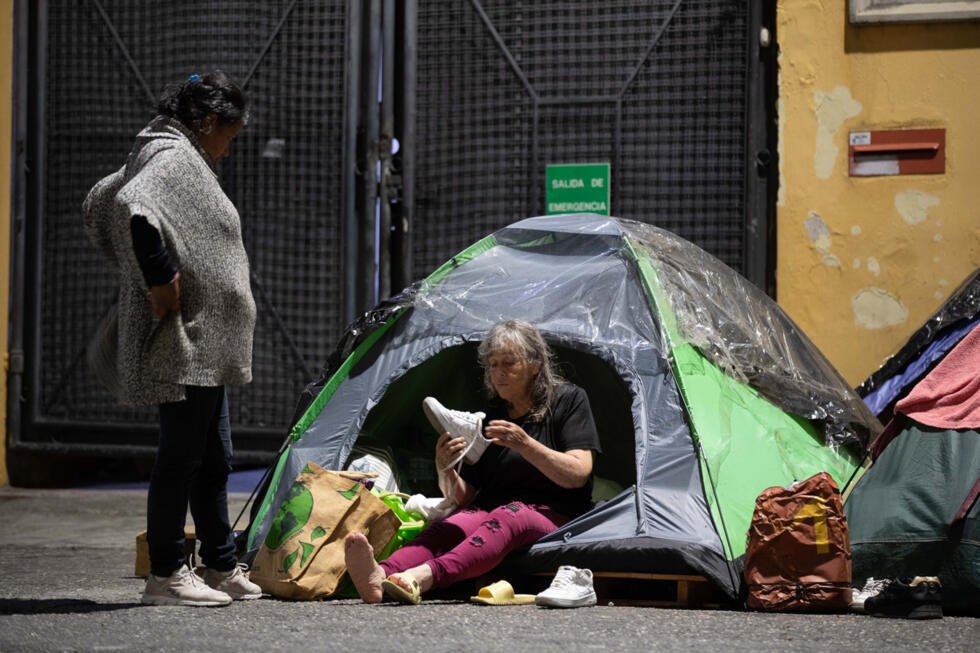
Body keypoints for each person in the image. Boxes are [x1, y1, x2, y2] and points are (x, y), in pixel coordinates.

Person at [83, 70, 261, 607]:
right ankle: (164, 573)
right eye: (229, 135)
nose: (228, 148)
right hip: (187, 340)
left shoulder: (173, 149)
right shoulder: (171, 156)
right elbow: (133, 205)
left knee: (215, 457)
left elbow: (105, 195)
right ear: (208, 122)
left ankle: (219, 563)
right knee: (182, 456)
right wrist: (161, 283)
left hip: (208, 343)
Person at [344, 319, 602, 604]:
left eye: (508, 363)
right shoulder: (491, 414)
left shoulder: (569, 400)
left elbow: (578, 473)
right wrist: (446, 466)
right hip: (493, 509)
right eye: (493, 365)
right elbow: (464, 496)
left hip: (556, 514)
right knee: (452, 525)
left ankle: (421, 577)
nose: (499, 373)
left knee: (508, 515)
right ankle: (380, 574)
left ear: (535, 364)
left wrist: (526, 444)